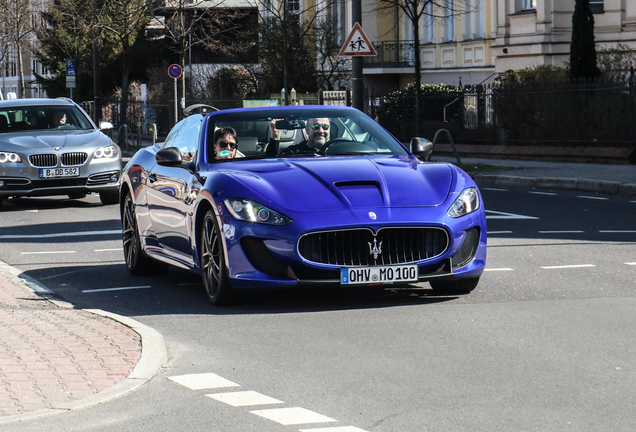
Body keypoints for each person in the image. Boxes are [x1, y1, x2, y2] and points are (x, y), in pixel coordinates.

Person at [265, 117, 331, 156]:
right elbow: (272, 164)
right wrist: (275, 136)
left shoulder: (338, 149)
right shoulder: (293, 152)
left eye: (325, 127)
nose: (321, 131)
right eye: (315, 127)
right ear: (307, 130)